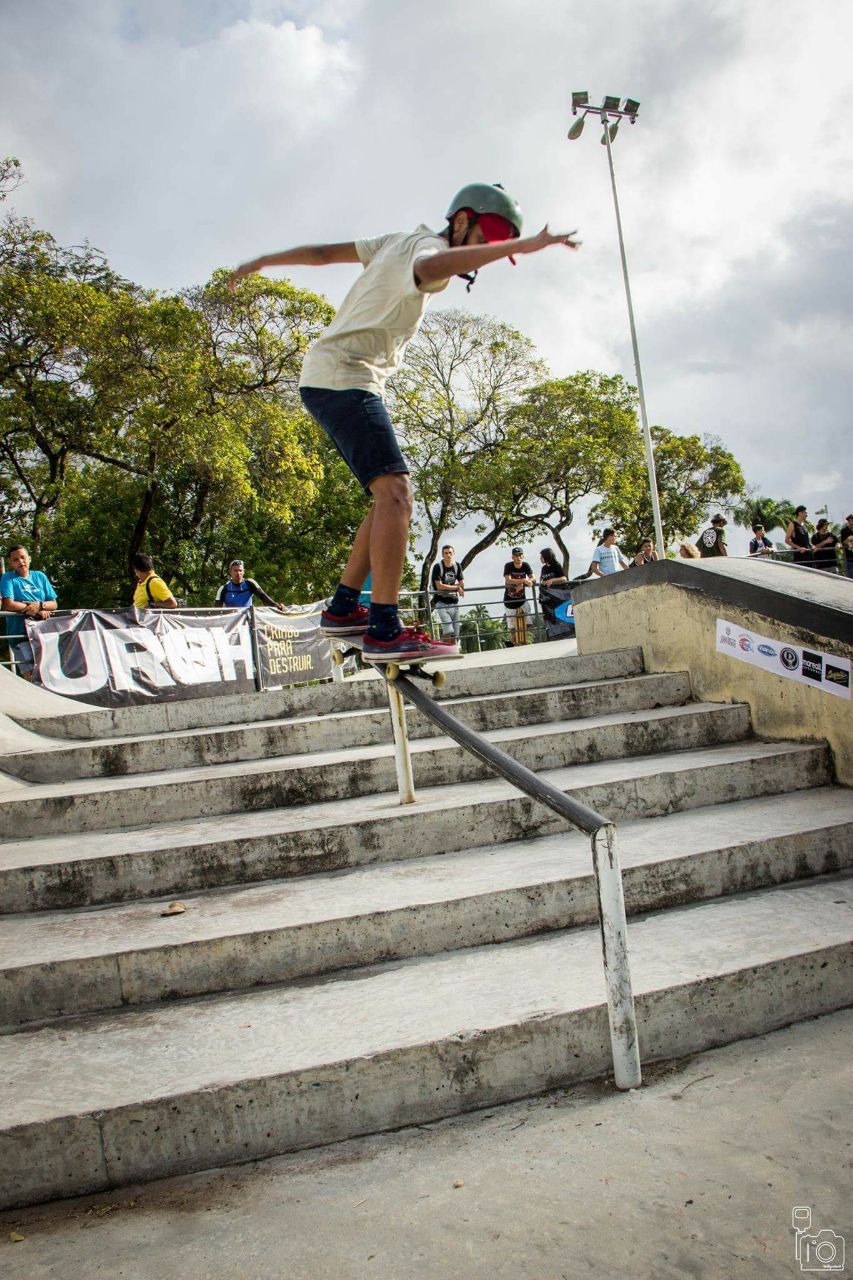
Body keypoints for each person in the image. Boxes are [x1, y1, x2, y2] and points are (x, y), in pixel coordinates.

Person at [228, 184, 580, 664]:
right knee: (398, 495)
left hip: (332, 377)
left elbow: (322, 252)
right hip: (346, 378)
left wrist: (264, 260)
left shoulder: (396, 240)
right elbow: (431, 268)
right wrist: (520, 246)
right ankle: (385, 628)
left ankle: (343, 607)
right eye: (484, 239)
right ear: (460, 221)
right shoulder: (431, 251)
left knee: (384, 499)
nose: (482, 253)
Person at [0, 544, 58, 679]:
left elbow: (53, 603)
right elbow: (8, 604)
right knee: (32, 675)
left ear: (29, 558)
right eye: (15, 559)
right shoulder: (8, 578)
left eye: (22, 557)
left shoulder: (40, 576)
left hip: (42, 633)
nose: (20, 561)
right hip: (20, 635)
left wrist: (40, 605)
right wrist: (36, 610)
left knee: (48, 673)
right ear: (10, 563)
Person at [215, 560, 284, 609]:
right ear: (230, 572)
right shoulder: (224, 588)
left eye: (240, 570)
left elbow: (263, 597)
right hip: (231, 625)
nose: (238, 573)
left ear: (243, 572)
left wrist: (277, 606)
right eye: (235, 570)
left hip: (248, 623)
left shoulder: (250, 583)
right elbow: (216, 611)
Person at [430, 545, 464, 641]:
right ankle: (445, 648)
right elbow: (439, 586)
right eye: (446, 553)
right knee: (449, 629)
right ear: (442, 555)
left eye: (450, 553)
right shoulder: (438, 567)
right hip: (441, 602)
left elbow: (462, 584)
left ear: (453, 554)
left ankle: (452, 649)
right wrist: (457, 587)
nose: (448, 555)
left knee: (456, 631)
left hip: (454, 601)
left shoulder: (457, 566)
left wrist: (457, 587)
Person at [503, 547, 534, 646]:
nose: (518, 557)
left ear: (523, 556)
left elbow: (533, 577)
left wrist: (524, 583)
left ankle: (512, 642)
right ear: (512, 557)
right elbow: (508, 580)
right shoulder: (508, 565)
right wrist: (523, 581)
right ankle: (515, 643)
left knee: (528, 621)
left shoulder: (526, 565)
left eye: (520, 555)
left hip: (522, 599)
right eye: (516, 555)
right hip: (509, 600)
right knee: (512, 626)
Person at [842, 514, 853, 580]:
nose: (851, 522)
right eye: (849, 521)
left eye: (852, 520)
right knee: (850, 579)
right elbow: (843, 543)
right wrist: (849, 539)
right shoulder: (844, 531)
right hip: (849, 558)